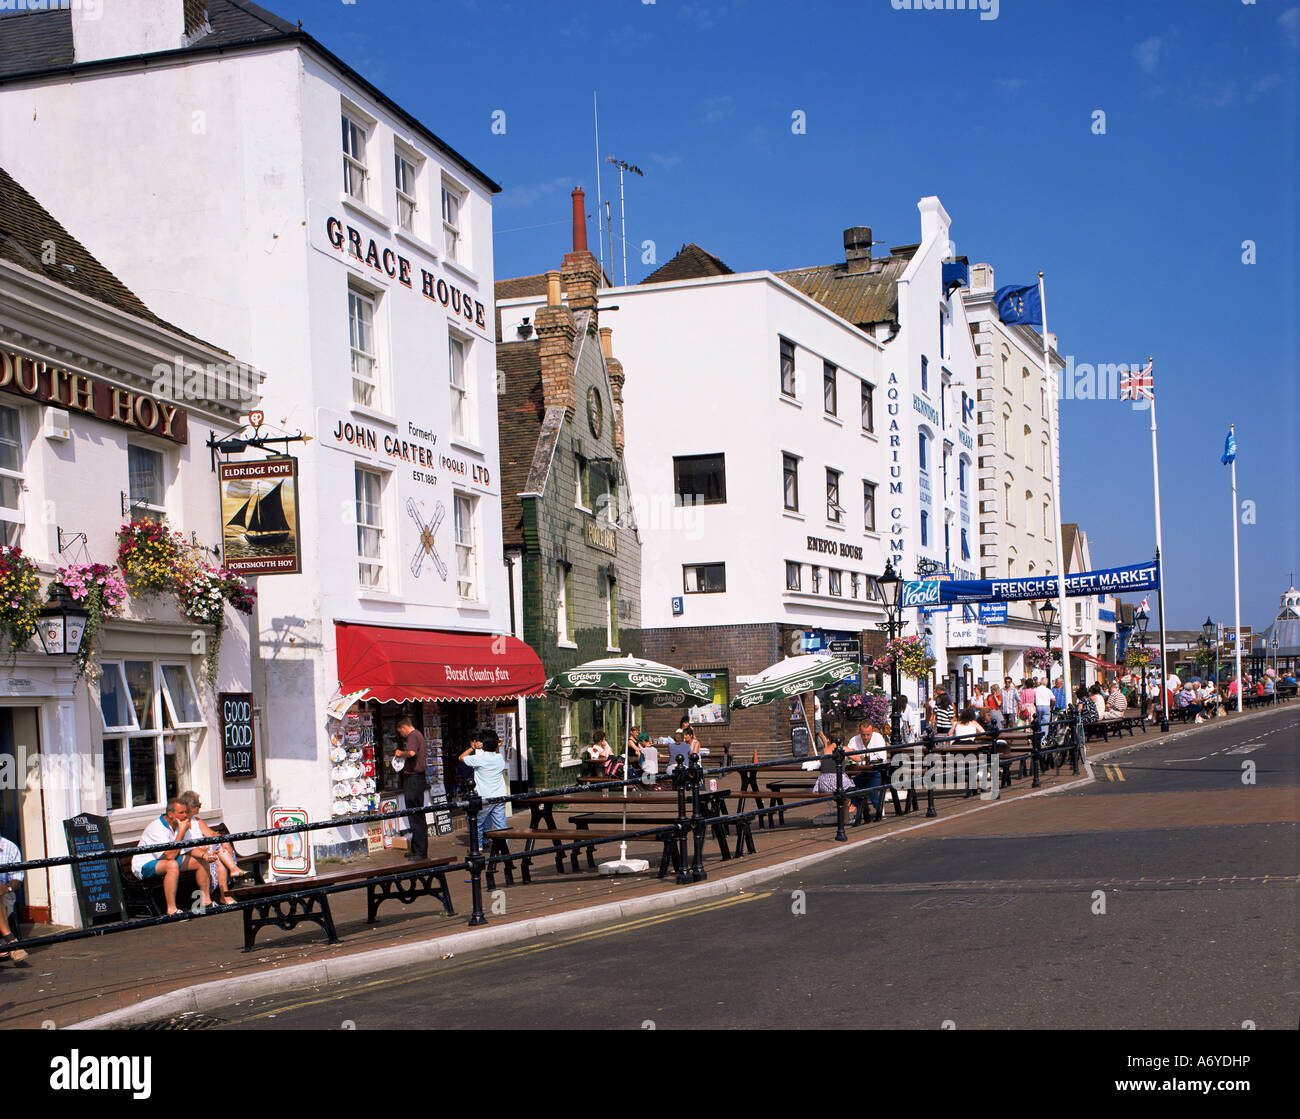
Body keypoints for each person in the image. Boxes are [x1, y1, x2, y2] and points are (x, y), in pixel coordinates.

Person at [131, 797, 230, 913]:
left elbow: (189, 849)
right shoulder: (157, 828)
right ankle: (171, 910)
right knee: (172, 864)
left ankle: (206, 902)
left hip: (164, 860)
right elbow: (170, 856)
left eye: (186, 812)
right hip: (144, 864)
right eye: (181, 813)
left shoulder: (181, 824)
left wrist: (204, 855)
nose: (185, 816)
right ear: (170, 814)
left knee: (200, 861)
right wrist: (182, 832)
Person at [178, 790, 247, 886]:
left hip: (205, 852)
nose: (200, 807)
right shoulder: (180, 824)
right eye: (199, 805)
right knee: (218, 856)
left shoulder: (197, 821)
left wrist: (224, 841)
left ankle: (232, 874)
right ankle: (232, 872)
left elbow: (211, 834)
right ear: (192, 807)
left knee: (219, 852)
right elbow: (186, 848)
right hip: (193, 854)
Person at [460, 729, 510, 842]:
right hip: (500, 796)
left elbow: (461, 757)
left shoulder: (479, 759)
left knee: (476, 823)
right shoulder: (499, 758)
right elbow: (495, 751)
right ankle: (504, 849)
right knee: (501, 825)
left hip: (484, 797)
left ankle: (479, 848)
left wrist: (473, 747)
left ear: (483, 745)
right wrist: (496, 744)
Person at [393, 717, 429, 859]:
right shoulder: (419, 734)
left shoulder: (413, 735)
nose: (401, 735)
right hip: (417, 778)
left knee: (415, 816)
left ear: (403, 728)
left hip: (414, 778)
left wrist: (400, 753)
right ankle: (416, 849)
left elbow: (412, 752)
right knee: (416, 815)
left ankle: (420, 852)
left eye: (400, 732)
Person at [846, 719, 889, 822]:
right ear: (859, 732)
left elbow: (881, 757)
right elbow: (848, 754)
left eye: (868, 735)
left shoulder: (878, 738)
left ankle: (878, 810)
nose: (865, 737)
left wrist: (859, 757)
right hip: (863, 772)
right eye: (863, 735)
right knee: (850, 786)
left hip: (878, 772)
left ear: (872, 732)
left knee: (871, 788)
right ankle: (861, 807)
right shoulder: (854, 740)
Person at [0, 834, 30, 966]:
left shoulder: (10, 847)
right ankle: (11, 941)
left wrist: (6, 889)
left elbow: (17, 879)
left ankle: (8, 940)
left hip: (5, 892)